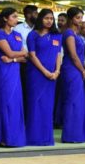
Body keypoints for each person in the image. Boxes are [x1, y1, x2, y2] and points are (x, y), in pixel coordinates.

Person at [0, 7, 28, 147]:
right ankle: (4, 137)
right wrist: (15, 56)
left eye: (17, 16)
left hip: (14, 68)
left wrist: (13, 58)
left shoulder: (17, 34)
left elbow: (24, 54)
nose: (16, 19)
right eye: (14, 16)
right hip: (3, 70)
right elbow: (10, 52)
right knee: (5, 101)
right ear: (5, 18)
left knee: (15, 102)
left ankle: (14, 137)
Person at [25, 8, 61, 147]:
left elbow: (58, 54)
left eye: (51, 18)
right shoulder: (33, 35)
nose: (49, 21)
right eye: (46, 18)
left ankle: (46, 137)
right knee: (35, 103)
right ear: (40, 19)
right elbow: (32, 55)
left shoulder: (57, 35)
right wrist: (45, 71)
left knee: (47, 105)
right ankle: (33, 137)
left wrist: (57, 71)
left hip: (52, 75)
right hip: (36, 74)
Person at [59, 7, 85, 143]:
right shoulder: (69, 33)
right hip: (71, 69)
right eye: (78, 18)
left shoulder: (77, 34)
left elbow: (81, 56)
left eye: (81, 17)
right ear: (71, 19)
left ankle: (78, 133)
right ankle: (71, 135)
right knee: (72, 100)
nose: (80, 20)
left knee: (79, 101)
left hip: (78, 68)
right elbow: (73, 55)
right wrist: (82, 69)